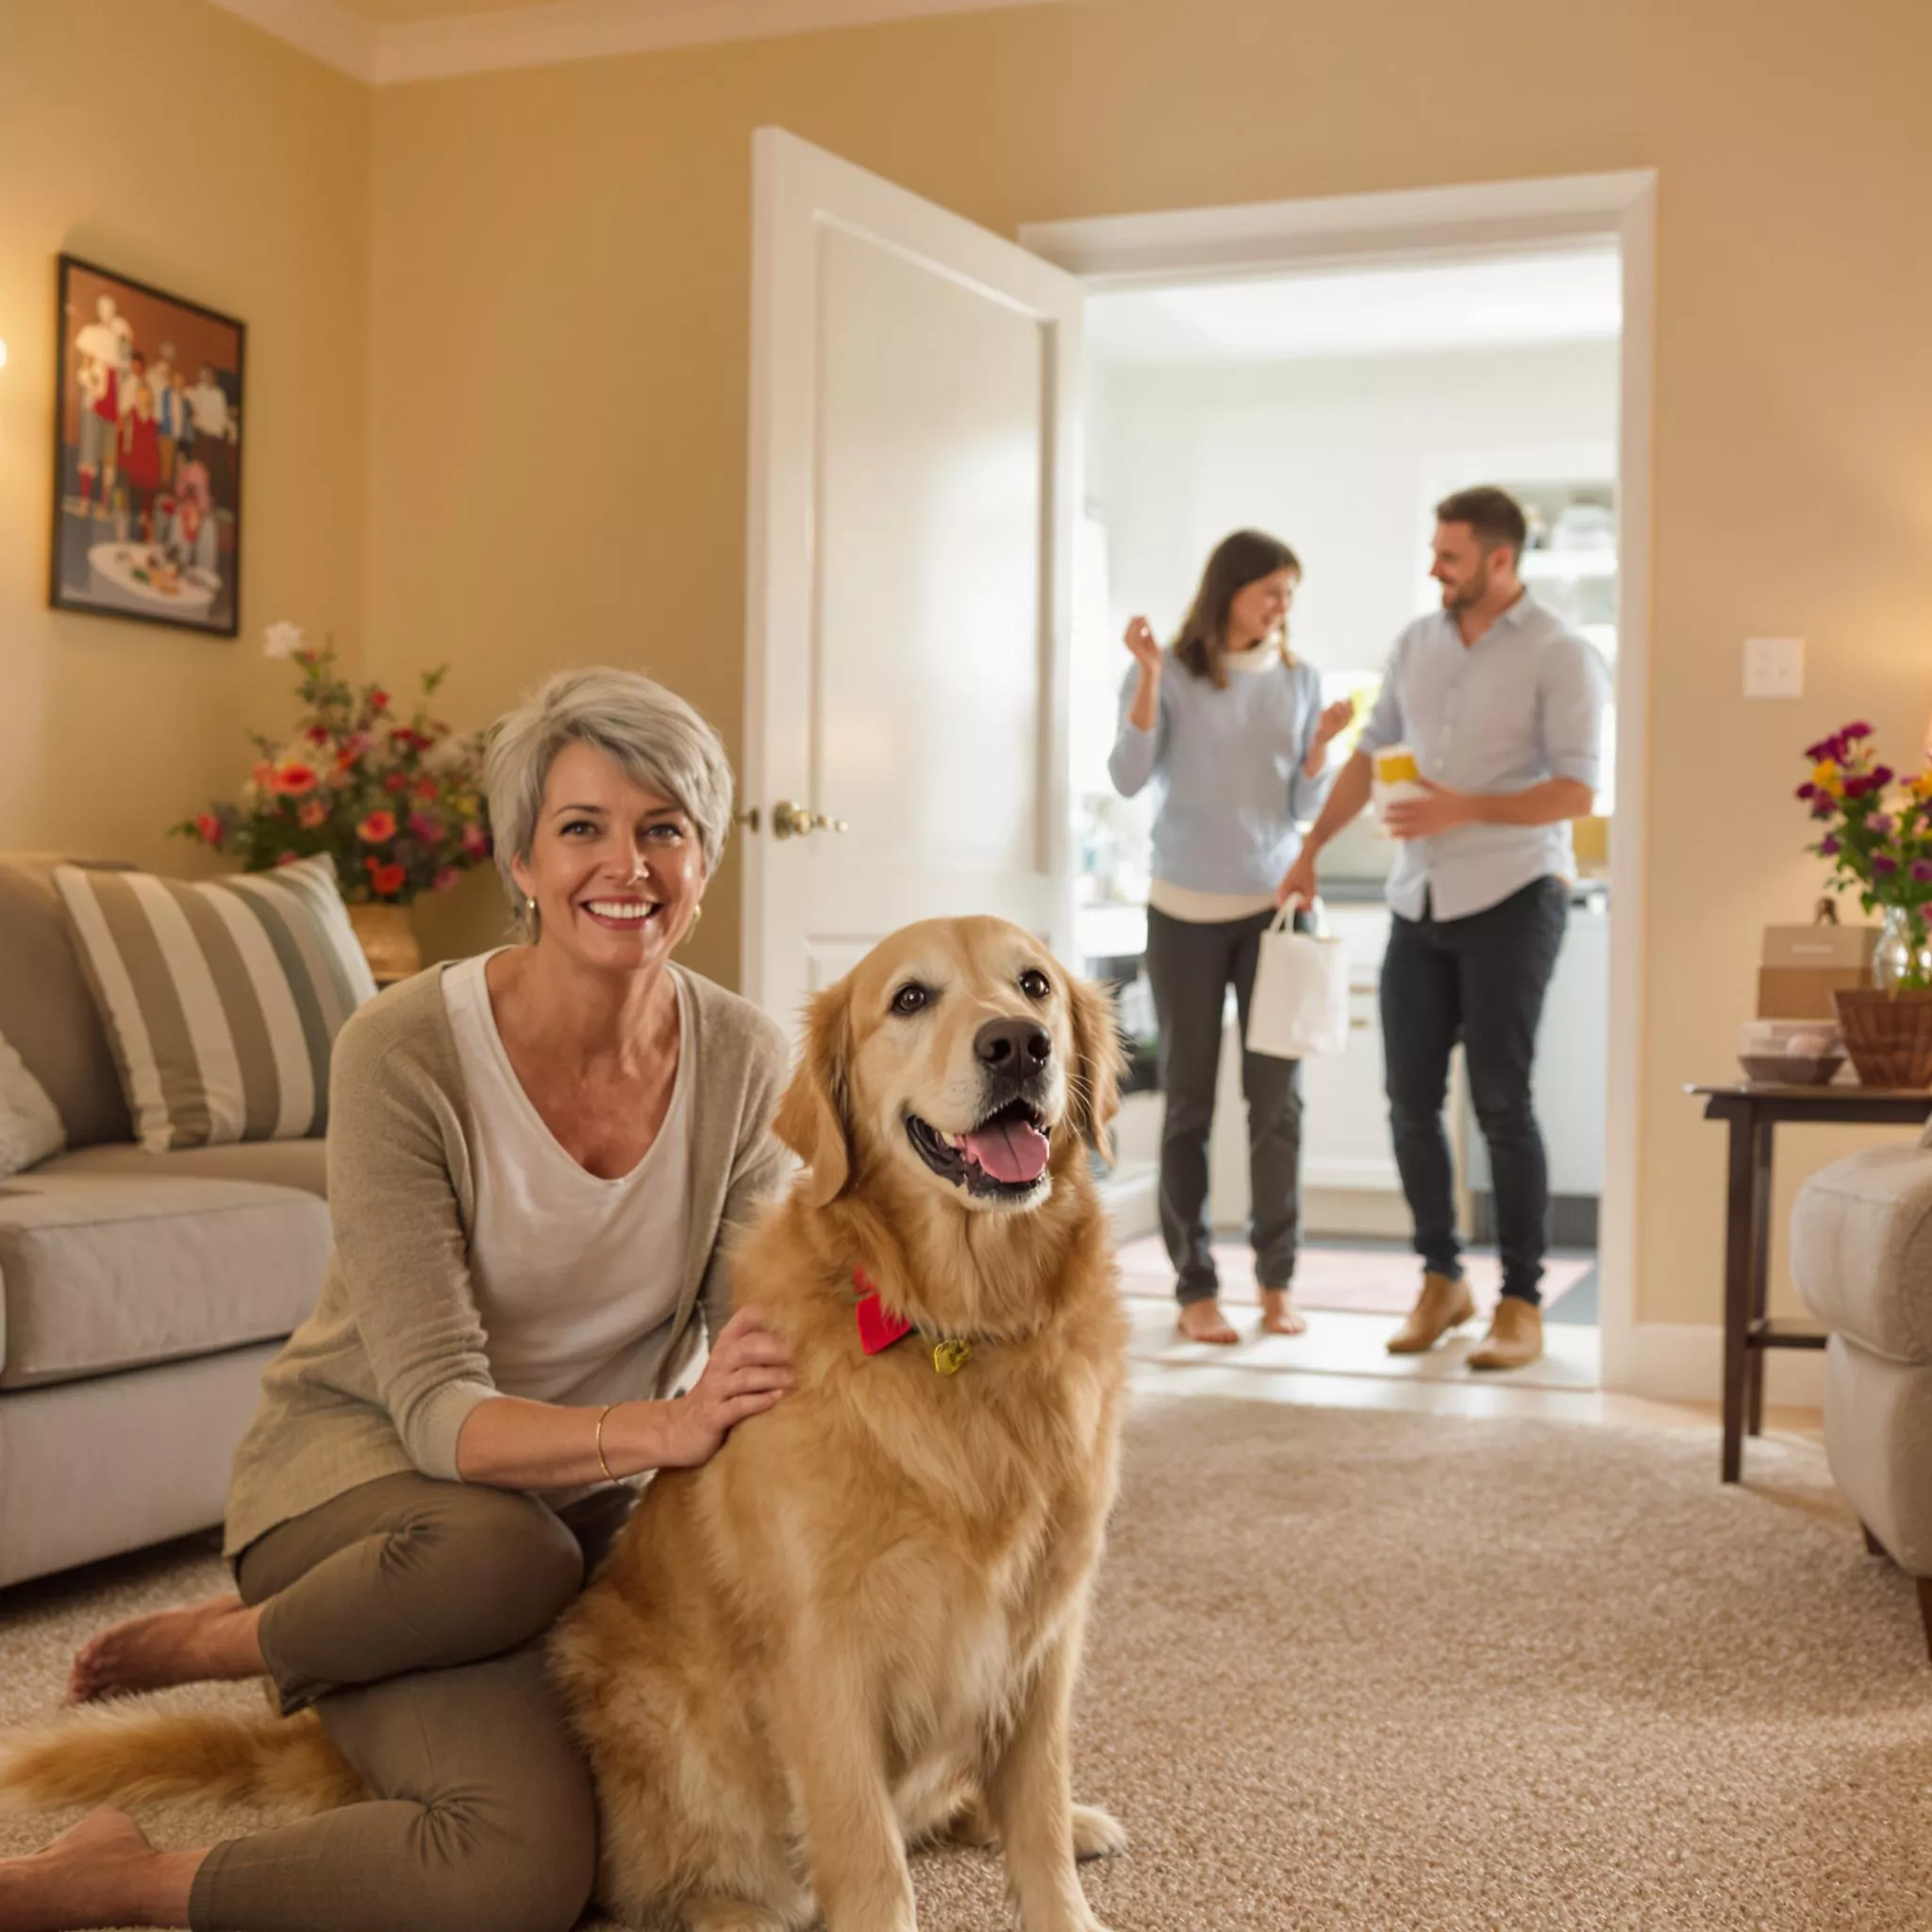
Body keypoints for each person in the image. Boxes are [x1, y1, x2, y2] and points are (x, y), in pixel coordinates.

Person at [0, 669, 797, 1932]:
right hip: (363, 1492)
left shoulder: (747, 1056)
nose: (626, 863)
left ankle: (172, 1796)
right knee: (501, 1549)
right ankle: (236, 1656)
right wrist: (660, 1430)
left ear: (703, 862)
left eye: (666, 828)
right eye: (583, 826)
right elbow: (435, 1414)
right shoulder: (402, 1048)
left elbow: (766, 1316)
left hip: (566, 1529)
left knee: (549, 1865)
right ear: (521, 857)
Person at [1277, 487, 1609, 1373]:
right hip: (1416, 900)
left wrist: (1466, 807)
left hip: (1514, 895)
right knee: (1409, 1104)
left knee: (1503, 1102)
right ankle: (1442, 1279)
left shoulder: (1561, 654)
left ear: (1501, 562)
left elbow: (1577, 791)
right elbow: (1368, 753)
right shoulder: (1417, 644)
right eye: (1435, 551)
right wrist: (1309, 848)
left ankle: (1522, 1301)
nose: (1434, 567)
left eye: (1450, 556)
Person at [1109, 530, 1354, 1345]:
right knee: (1187, 1103)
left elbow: (1297, 809)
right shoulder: (1169, 670)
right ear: (1231, 589)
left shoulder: (1299, 679)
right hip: (1182, 910)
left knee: (1276, 1106)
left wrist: (1319, 749)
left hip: (1273, 913)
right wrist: (1147, 678)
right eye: (1271, 591)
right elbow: (1129, 774)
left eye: (1290, 593)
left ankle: (1277, 1283)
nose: (1283, 607)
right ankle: (1195, 1288)